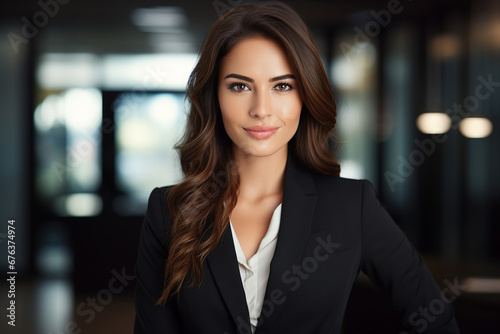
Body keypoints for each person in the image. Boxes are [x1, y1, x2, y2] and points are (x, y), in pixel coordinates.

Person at [133, 2, 460, 333]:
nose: (261, 109)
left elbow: (435, 319)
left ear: (305, 95)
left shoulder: (351, 205)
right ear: (214, 96)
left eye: (282, 86)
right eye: (240, 86)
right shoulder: (170, 211)